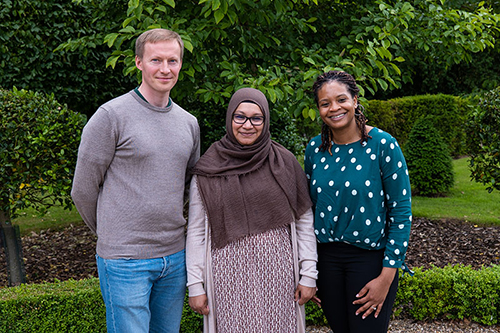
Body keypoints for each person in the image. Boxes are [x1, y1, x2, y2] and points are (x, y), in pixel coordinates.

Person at [71, 28, 200, 333]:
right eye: (156, 60)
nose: (165, 69)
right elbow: (83, 190)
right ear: (139, 62)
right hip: (124, 260)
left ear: (181, 64)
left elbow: (187, 187)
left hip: (174, 257)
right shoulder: (111, 116)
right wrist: (112, 234)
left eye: (173, 60)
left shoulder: (189, 123)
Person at [186, 87, 318, 333]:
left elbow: (303, 221)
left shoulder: (284, 162)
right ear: (230, 119)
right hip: (226, 279)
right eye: (240, 117)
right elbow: (196, 231)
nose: (248, 125)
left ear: (266, 121)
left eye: (256, 118)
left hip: (278, 277)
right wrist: (195, 285)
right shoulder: (209, 167)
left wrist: (309, 274)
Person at [304, 70, 412, 333]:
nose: (334, 108)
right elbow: (308, 210)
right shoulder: (314, 149)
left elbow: (401, 213)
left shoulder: (383, 145)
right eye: (325, 103)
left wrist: (387, 277)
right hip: (327, 262)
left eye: (341, 99)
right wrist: (310, 271)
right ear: (318, 109)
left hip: (370, 262)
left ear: (354, 99)